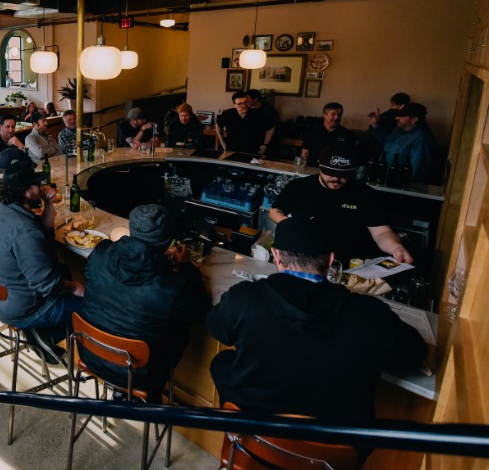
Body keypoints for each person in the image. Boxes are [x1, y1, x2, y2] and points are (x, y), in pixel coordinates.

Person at [206, 217, 426, 420]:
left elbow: (216, 328)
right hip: (332, 454)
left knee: (223, 363)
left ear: (276, 256)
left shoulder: (244, 298)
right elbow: (414, 353)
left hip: (255, 437)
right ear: (330, 260)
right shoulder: (372, 313)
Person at [80, 204, 210, 395]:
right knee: (180, 334)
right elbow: (201, 312)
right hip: (136, 373)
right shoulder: (171, 285)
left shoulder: (101, 252)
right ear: (168, 242)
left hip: (90, 353)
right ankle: (151, 399)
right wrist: (187, 267)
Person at [0, 159, 84, 362]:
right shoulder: (24, 231)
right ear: (26, 191)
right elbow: (48, 285)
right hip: (20, 309)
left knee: (62, 270)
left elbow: (42, 230)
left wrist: (49, 204)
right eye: (37, 183)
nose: (43, 186)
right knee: (90, 307)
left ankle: (42, 331)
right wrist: (77, 288)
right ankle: (42, 334)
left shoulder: (4, 208)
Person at [269, 143, 412, 267]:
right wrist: (295, 226)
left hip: (349, 265)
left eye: (342, 174)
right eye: (330, 173)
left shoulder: (365, 194)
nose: (336, 179)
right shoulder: (299, 187)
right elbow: (275, 211)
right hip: (307, 261)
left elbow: (381, 232)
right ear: (320, 166)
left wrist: (396, 248)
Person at [368, 102, 437, 184]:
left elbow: (416, 171)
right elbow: (387, 140)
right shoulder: (398, 129)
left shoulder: (422, 138)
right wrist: (375, 126)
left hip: (400, 186)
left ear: (414, 119)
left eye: (401, 115)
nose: (396, 117)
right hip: (386, 180)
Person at [215, 91, 273, 155]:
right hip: (231, 150)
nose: (244, 105)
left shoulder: (257, 114)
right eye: (240, 103)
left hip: (252, 151)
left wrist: (265, 145)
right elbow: (218, 124)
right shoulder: (227, 114)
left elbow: (270, 128)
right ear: (234, 105)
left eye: (246, 102)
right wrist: (222, 143)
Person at [301, 102, 358, 166]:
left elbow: (351, 156)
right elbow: (305, 153)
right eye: (333, 114)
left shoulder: (348, 134)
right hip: (314, 169)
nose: (336, 117)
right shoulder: (312, 132)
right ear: (324, 115)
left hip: (335, 172)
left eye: (339, 114)